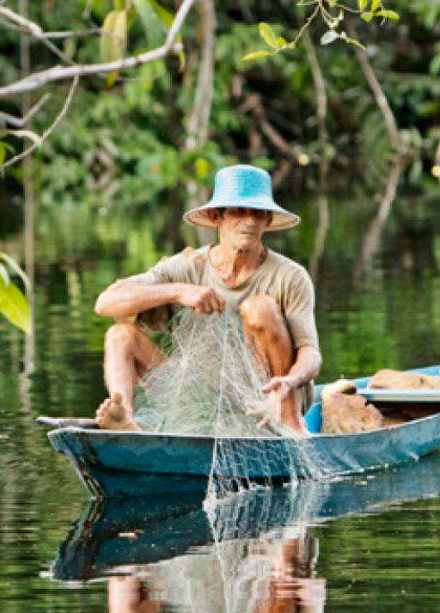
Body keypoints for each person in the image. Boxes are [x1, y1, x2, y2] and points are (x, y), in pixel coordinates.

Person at [93, 164, 322, 434]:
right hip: (200, 392)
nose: (249, 222)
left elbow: (311, 354)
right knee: (119, 335)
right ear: (216, 217)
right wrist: (179, 292)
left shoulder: (290, 276)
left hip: (267, 395)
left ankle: (285, 419)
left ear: (268, 220)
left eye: (257, 213)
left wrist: (290, 381)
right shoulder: (186, 266)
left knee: (258, 308)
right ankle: (126, 421)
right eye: (238, 211)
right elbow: (105, 303)